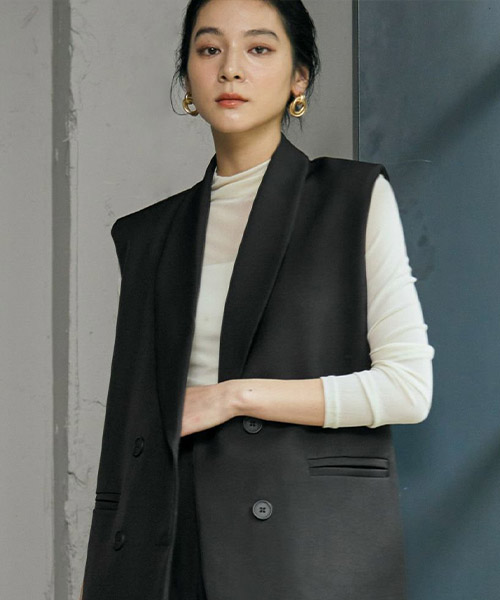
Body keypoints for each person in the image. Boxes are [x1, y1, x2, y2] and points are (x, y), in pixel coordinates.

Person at [80, 1, 434, 599]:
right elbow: (128, 435)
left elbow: (408, 388)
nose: (231, 68)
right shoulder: (147, 235)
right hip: (172, 549)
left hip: (304, 552)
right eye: (209, 48)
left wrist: (233, 397)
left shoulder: (351, 198)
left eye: (259, 48)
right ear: (188, 76)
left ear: (299, 78)